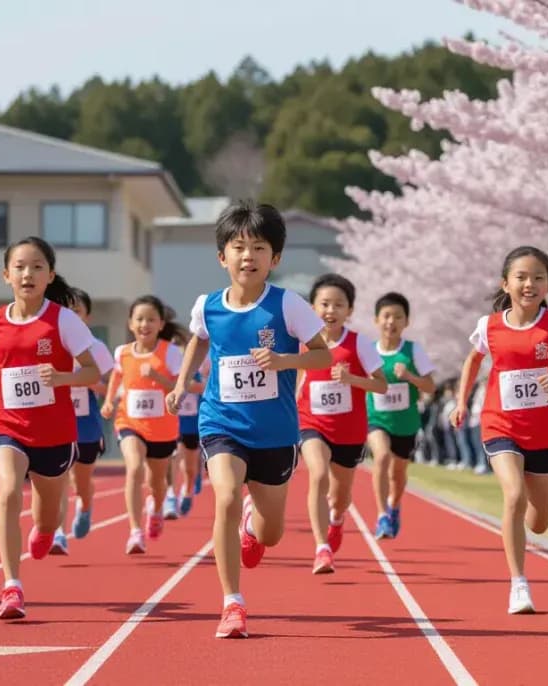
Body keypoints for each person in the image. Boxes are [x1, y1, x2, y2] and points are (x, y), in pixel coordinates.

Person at [166, 200, 329, 639]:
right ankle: (232, 603)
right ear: (223, 256)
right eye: (239, 247)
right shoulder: (208, 306)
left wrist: (284, 360)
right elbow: (199, 342)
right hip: (222, 422)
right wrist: (183, 383)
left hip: (275, 432)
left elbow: (324, 353)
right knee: (224, 495)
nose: (248, 256)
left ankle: (255, 527)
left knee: (271, 533)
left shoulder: (288, 305)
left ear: (274, 259)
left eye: (259, 248)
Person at [0, 237, 100, 620]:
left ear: (50, 275)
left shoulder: (63, 320)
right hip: (6, 424)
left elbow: (92, 371)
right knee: (7, 493)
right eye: (19, 266)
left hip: (53, 433)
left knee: (47, 517)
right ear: (6, 275)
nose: (28, 274)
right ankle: (12, 586)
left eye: (37, 267)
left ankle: (45, 529)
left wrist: (62, 377)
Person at [451, 245, 548, 614]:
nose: (529, 284)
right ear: (506, 283)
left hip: (546, 432)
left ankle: (531, 520)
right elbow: (473, 360)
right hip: (500, 423)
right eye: (521, 277)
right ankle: (519, 584)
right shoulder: (489, 325)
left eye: (538, 278)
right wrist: (462, 401)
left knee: (540, 521)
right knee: (513, 496)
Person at [296, 273, 387, 574]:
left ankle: (336, 518)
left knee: (341, 495)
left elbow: (381, 386)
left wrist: (352, 380)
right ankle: (321, 548)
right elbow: (295, 381)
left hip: (349, 431)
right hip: (311, 423)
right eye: (324, 304)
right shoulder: (304, 345)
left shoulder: (359, 344)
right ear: (312, 308)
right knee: (318, 475)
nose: (330, 311)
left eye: (338, 305)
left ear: (349, 310)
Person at [101, 295, 183, 554]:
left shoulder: (170, 352)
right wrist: (109, 401)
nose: (144, 324)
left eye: (150, 319)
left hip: (162, 428)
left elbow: (182, 388)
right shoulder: (122, 352)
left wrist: (158, 376)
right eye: (139, 319)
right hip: (130, 422)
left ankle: (156, 508)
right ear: (130, 323)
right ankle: (135, 532)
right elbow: (116, 376)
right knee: (134, 468)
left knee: (157, 481)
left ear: (160, 324)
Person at [365, 292, 437, 539]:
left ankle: (394, 506)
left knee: (398, 475)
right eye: (386, 316)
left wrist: (409, 377)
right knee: (382, 457)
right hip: (376, 421)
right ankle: (382, 515)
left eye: (398, 317)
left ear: (406, 322)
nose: (391, 322)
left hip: (406, 425)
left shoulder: (413, 350)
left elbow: (430, 387)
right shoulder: (368, 351)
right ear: (377, 320)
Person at [54, 286, 114, 550]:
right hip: (56, 422)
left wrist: (89, 383)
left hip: (86, 425)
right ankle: (58, 533)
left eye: (76, 311)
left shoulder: (95, 347)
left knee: (81, 481)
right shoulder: (51, 343)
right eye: (65, 310)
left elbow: (114, 386)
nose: (70, 316)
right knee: (58, 479)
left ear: (87, 317)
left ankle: (86, 506)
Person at [170, 329, 208, 518]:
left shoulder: (196, 368)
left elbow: (202, 386)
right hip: (173, 422)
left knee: (189, 467)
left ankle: (188, 489)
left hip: (192, 422)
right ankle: (170, 497)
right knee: (175, 457)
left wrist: (184, 385)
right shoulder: (168, 367)